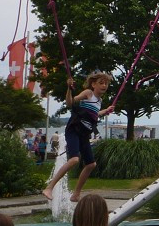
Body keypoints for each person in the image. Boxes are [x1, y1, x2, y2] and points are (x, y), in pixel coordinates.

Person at [43, 73, 113, 202]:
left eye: (106, 83)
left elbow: (94, 115)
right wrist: (69, 88)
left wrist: (106, 111)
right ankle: (49, 187)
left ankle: (76, 194)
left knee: (91, 164)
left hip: (84, 134)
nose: (104, 85)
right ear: (93, 84)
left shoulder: (99, 101)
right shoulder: (88, 93)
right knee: (74, 160)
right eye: (101, 83)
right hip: (74, 130)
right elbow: (70, 103)